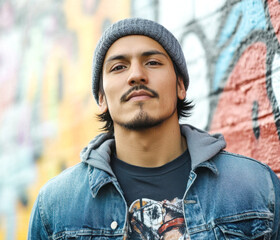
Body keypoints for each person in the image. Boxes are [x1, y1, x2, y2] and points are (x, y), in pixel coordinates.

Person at [28, 18, 280, 239]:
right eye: (118, 67)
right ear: (102, 98)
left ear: (181, 86)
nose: (136, 75)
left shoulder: (254, 186)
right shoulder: (55, 206)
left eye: (152, 62)